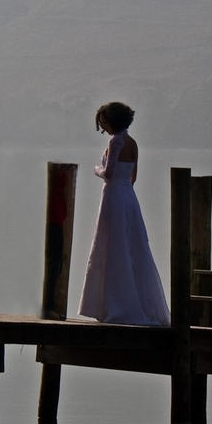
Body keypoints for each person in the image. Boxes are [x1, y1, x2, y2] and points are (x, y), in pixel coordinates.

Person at [78, 102, 170, 326]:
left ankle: (116, 306)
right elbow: (133, 177)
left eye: (104, 123)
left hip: (113, 197)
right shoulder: (133, 143)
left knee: (112, 246)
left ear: (111, 122)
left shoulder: (115, 141)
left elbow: (108, 172)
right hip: (128, 196)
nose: (103, 128)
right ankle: (135, 302)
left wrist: (95, 169)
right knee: (132, 246)